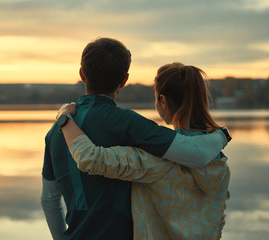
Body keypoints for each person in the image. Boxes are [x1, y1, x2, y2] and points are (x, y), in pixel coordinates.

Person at [41, 38, 229, 240]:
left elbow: (50, 200)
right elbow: (194, 152)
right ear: (124, 80)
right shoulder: (128, 123)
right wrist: (222, 135)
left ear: (82, 75)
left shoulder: (57, 131)